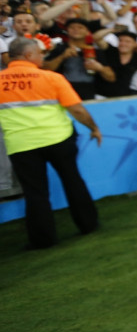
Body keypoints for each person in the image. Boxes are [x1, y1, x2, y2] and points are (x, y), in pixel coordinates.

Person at [0, 37, 102, 249]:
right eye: (40, 53)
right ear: (29, 55)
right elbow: (77, 110)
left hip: (21, 144)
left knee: (35, 193)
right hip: (59, 139)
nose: (42, 57)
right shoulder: (51, 77)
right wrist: (94, 128)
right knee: (73, 181)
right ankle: (88, 225)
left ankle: (43, 240)